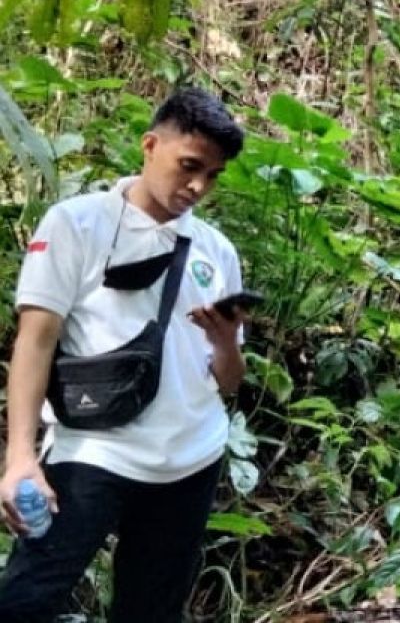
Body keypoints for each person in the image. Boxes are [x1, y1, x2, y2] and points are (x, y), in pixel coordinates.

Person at [0, 87, 249, 621]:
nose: (198, 185)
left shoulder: (216, 252)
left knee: (151, 611)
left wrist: (226, 341)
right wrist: (20, 456)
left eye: (213, 175)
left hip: (190, 459)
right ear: (150, 144)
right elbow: (35, 339)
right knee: (25, 600)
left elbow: (228, 384)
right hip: (93, 453)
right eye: (189, 166)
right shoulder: (77, 224)